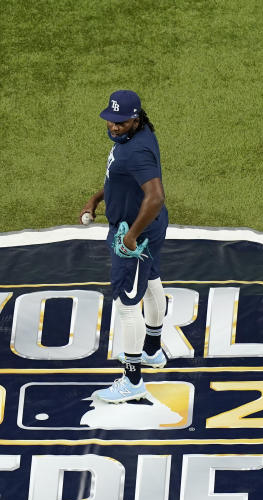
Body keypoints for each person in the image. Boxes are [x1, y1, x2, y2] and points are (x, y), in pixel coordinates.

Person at [80, 90, 169, 403]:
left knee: (126, 305)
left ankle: (133, 381)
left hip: (135, 237)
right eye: (111, 121)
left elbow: (155, 197)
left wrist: (131, 236)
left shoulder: (136, 151)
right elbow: (120, 180)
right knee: (153, 281)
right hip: (150, 229)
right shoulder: (139, 136)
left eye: (121, 122)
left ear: (135, 118)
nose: (114, 127)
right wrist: (97, 198)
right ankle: (153, 351)